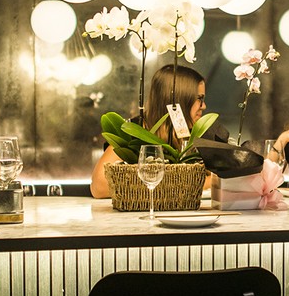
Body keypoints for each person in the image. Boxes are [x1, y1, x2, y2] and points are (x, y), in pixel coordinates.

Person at [89, 65, 227, 198]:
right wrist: (196, 183)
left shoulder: (204, 135)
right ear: (180, 99)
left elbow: (227, 177)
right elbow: (99, 187)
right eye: (199, 99)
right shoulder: (134, 132)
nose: (204, 106)